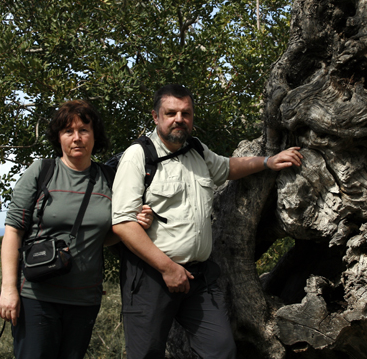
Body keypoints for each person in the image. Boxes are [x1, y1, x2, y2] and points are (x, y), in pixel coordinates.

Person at [112, 84, 303, 359]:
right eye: (171, 113)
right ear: (156, 117)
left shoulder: (197, 150)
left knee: (220, 350)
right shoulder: (138, 156)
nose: (179, 119)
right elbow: (122, 223)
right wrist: (168, 268)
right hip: (150, 276)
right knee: (146, 354)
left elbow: (227, 167)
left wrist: (268, 161)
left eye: (186, 113)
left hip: (198, 277)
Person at [0, 100, 153, 359]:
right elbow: (13, 231)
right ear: (58, 137)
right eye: (68, 131)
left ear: (95, 136)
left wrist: (134, 222)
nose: (77, 138)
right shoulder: (42, 171)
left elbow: (104, 236)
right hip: (36, 296)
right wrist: (8, 289)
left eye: (84, 130)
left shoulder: (109, 178)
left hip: (84, 300)